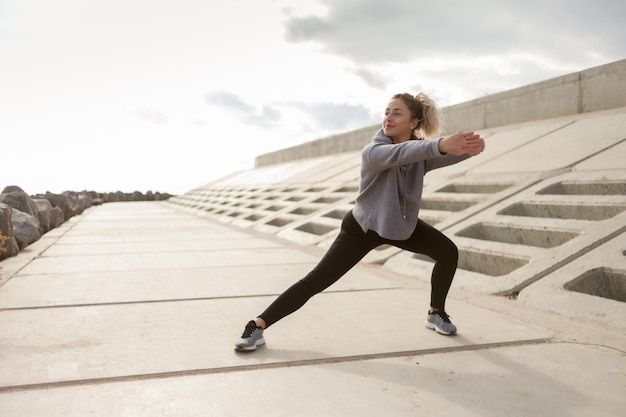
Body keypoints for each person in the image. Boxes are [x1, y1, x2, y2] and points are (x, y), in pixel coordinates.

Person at [235, 92, 485, 352]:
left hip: (400, 226)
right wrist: (442, 144)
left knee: (448, 252)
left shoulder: (420, 153)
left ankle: (436, 312)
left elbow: (442, 152)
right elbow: (407, 152)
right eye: (387, 112)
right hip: (362, 228)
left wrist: (471, 146)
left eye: (397, 113)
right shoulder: (374, 151)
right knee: (316, 281)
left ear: (414, 122)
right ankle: (258, 325)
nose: (388, 118)